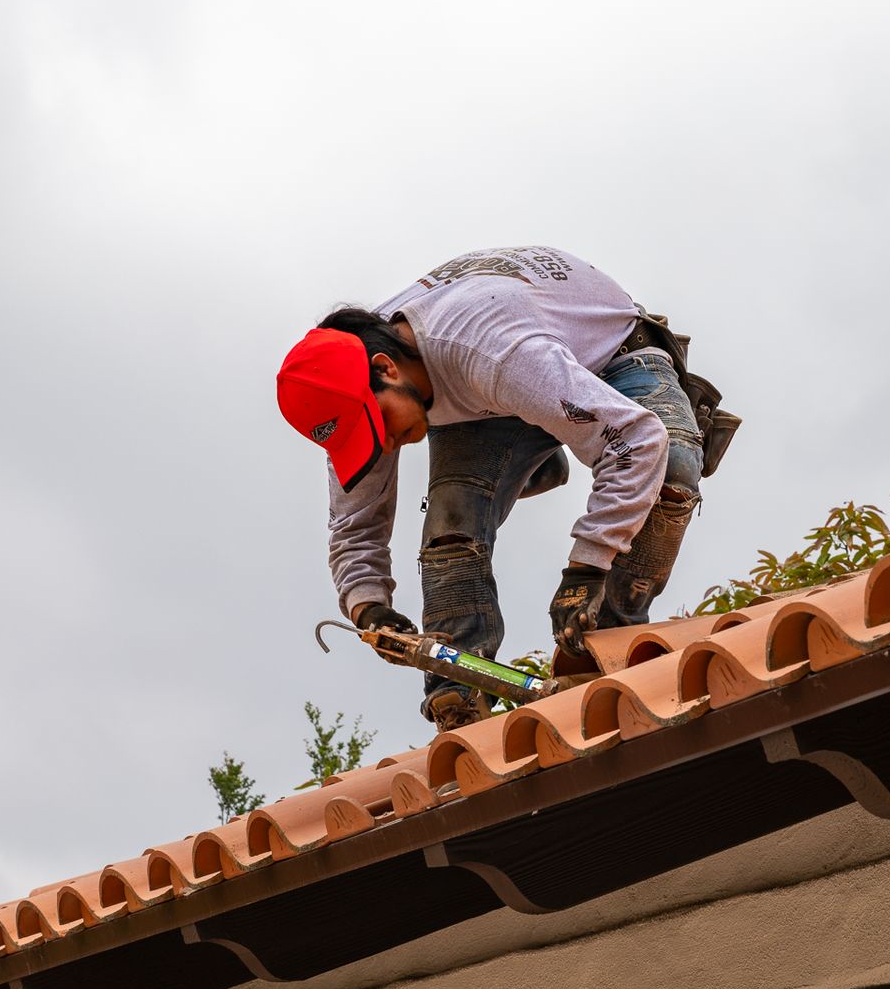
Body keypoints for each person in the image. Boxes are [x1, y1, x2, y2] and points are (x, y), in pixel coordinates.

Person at [276, 246, 712, 731]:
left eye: (380, 427)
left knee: (671, 467)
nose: (384, 446)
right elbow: (355, 525)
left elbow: (636, 439)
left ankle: (605, 642)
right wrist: (368, 604)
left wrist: (587, 569)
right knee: (453, 524)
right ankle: (456, 694)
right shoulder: (348, 385)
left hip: (606, 357)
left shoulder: (491, 350)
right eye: (364, 440)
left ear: (388, 368)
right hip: (493, 397)